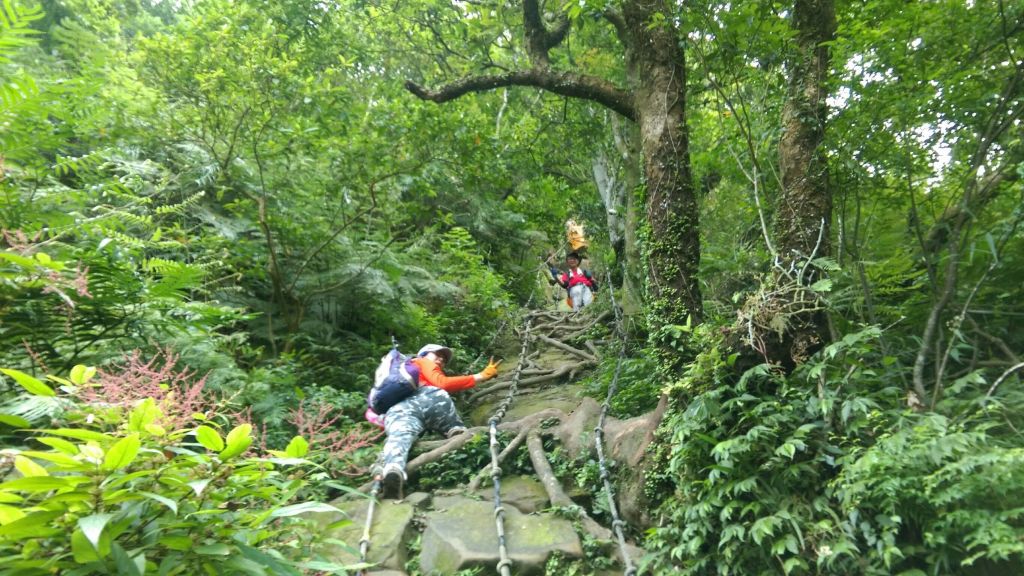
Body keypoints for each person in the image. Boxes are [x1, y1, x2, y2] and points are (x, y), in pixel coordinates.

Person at [376, 344, 501, 499]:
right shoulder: (421, 361)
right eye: (437, 354)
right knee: (440, 395)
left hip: (399, 410)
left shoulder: (400, 377)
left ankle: (393, 470)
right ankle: (454, 429)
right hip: (429, 398)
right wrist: (481, 376)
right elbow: (442, 383)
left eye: (444, 359)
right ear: (423, 355)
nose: (441, 359)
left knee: (400, 437)